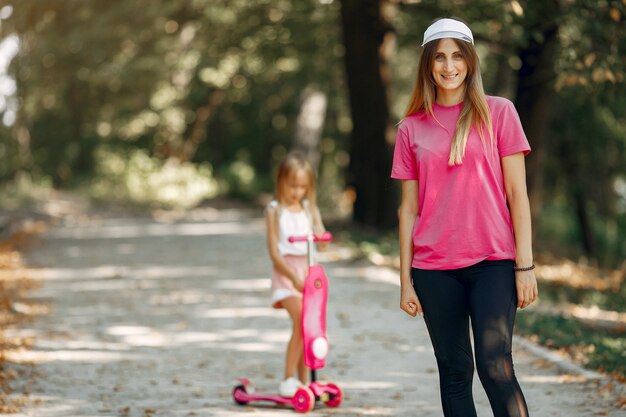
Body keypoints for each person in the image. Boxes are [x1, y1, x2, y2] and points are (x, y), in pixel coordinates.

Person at [391, 17, 538, 417]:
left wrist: (524, 265)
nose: (449, 65)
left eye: (458, 55)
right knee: (455, 372)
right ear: (427, 64)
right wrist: (405, 281)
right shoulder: (410, 129)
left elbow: (517, 195)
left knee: (495, 365)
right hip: (434, 269)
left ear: (471, 61)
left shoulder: (500, 113)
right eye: (439, 57)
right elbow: (408, 210)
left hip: (493, 261)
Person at [265, 151, 326, 398]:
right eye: (292, 185)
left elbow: (320, 235)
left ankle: (304, 382)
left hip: (309, 272)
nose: (296, 191)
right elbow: (274, 252)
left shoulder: (309, 209)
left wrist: (322, 234)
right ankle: (288, 378)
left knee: (310, 327)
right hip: (286, 274)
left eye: (302, 187)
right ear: (281, 180)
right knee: (302, 320)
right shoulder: (274, 210)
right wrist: (292, 277)